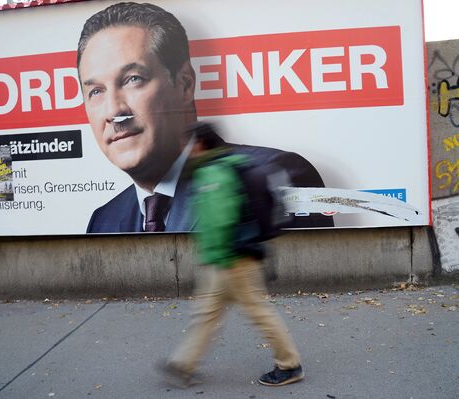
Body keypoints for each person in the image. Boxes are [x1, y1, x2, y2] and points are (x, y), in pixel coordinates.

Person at [77, 1, 332, 233]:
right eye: (96, 91)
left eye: (133, 79)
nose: (113, 111)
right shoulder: (103, 221)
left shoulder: (278, 174)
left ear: (185, 84)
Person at [160, 122, 304, 388]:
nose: (185, 151)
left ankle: (290, 365)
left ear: (200, 144)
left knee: (258, 311)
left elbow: (219, 219)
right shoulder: (224, 166)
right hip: (228, 257)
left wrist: (217, 255)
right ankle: (183, 365)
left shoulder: (214, 173)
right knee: (206, 313)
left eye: (188, 145)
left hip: (232, 258)